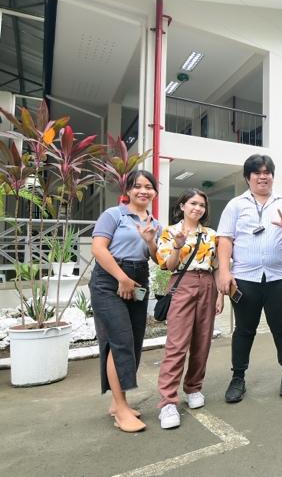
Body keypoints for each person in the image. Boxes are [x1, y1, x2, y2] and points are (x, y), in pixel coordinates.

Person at [216, 154, 282, 403]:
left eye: (267, 172)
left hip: (280, 278)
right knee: (244, 330)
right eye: (257, 172)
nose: (263, 176)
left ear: (273, 176)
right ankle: (238, 378)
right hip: (245, 278)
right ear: (248, 177)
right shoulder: (235, 205)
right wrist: (224, 272)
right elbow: (225, 239)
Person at [89, 170, 161, 433]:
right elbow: (98, 249)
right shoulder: (114, 215)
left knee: (133, 342)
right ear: (128, 190)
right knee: (119, 340)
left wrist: (151, 242)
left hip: (139, 279)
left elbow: (156, 259)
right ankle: (120, 409)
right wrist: (121, 278)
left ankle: (119, 403)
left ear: (154, 191)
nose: (143, 191)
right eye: (137, 186)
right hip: (109, 281)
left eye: (149, 186)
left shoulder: (155, 223)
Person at [154, 189, 223, 429]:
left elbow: (215, 266)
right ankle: (167, 402)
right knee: (177, 343)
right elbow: (167, 266)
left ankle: (194, 387)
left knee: (202, 341)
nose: (198, 208)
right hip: (181, 284)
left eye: (202, 204)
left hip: (207, 285)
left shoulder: (211, 235)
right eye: (193, 203)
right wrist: (177, 246)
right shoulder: (169, 231)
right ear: (182, 205)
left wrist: (220, 295)